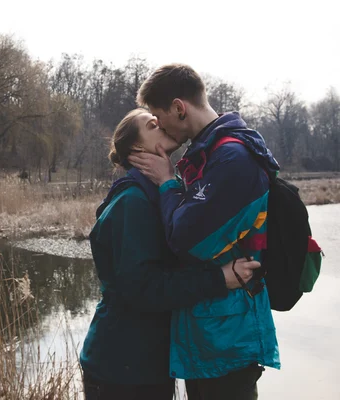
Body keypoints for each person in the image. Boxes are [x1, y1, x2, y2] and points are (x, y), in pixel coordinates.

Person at [80, 108, 262, 400]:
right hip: (122, 368)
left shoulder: (161, 194)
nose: (162, 123)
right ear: (138, 148)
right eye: (153, 124)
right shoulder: (133, 203)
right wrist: (219, 279)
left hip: (146, 363)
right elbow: (144, 287)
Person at [130, 63, 281, 400]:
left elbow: (185, 241)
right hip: (208, 332)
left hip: (228, 339)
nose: (159, 125)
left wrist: (168, 181)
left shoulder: (232, 158)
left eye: (158, 116)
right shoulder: (208, 153)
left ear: (178, 108)